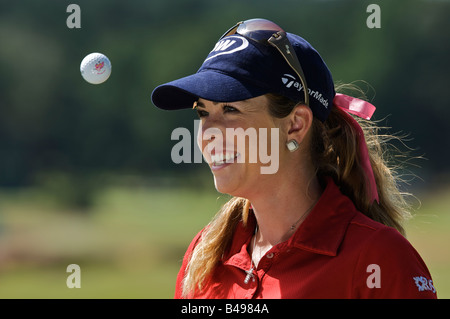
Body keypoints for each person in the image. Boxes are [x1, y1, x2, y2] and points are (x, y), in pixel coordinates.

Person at [151, 18, 437, 299]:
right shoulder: (205, 255)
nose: (208, 134)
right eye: (203, 113)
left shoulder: (379, 259)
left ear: (295, 125)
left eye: (230, 109)